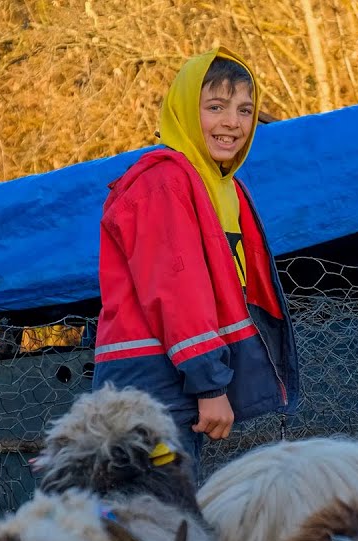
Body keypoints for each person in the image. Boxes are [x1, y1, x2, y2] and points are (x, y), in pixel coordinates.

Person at [92, 47, 301, 484]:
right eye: (216, 107)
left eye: (245, 110)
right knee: (155, 518)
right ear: (185, 109)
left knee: (166, 512)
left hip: (176, 378)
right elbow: (177, 289)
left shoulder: (223, 186)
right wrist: (209, 384)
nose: (232, 122)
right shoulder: (163, 181)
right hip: (150, 384)